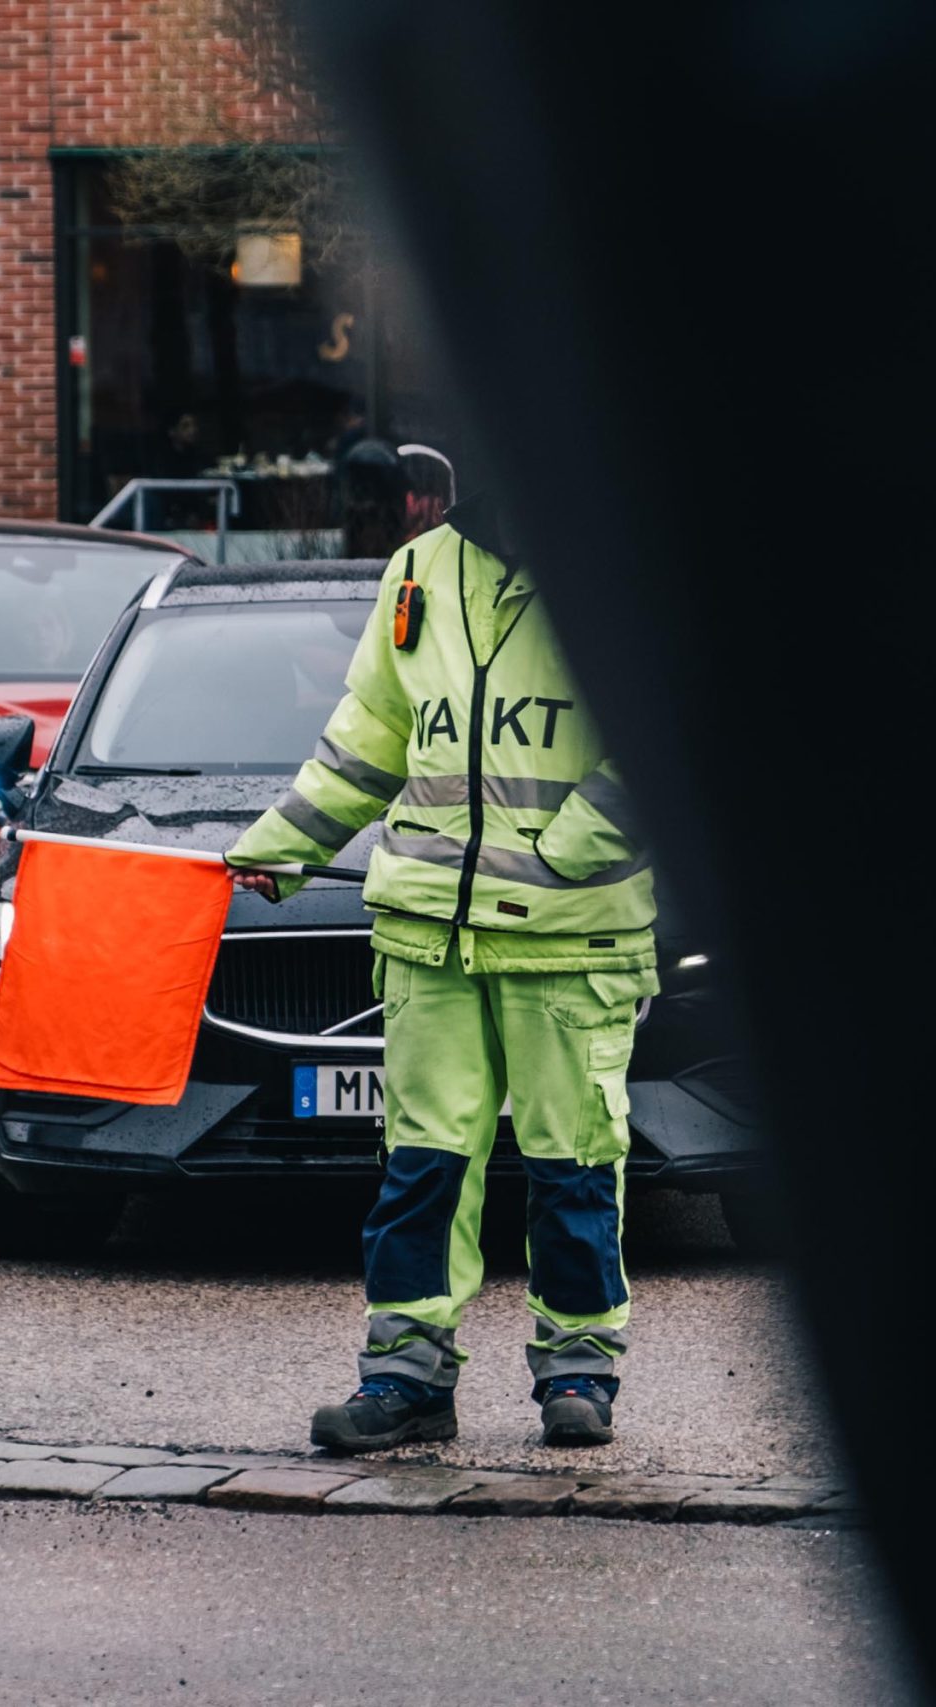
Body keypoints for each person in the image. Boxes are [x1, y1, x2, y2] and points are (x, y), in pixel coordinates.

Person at [225, 490, 657, 1451]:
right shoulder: (418, 569)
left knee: (574, 1162)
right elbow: (369, 735)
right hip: (431, 935)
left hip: (566, 933)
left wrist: (560, 855)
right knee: (421, 1163)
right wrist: (283, 847)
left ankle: (579, 1371)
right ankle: (408, 1376)